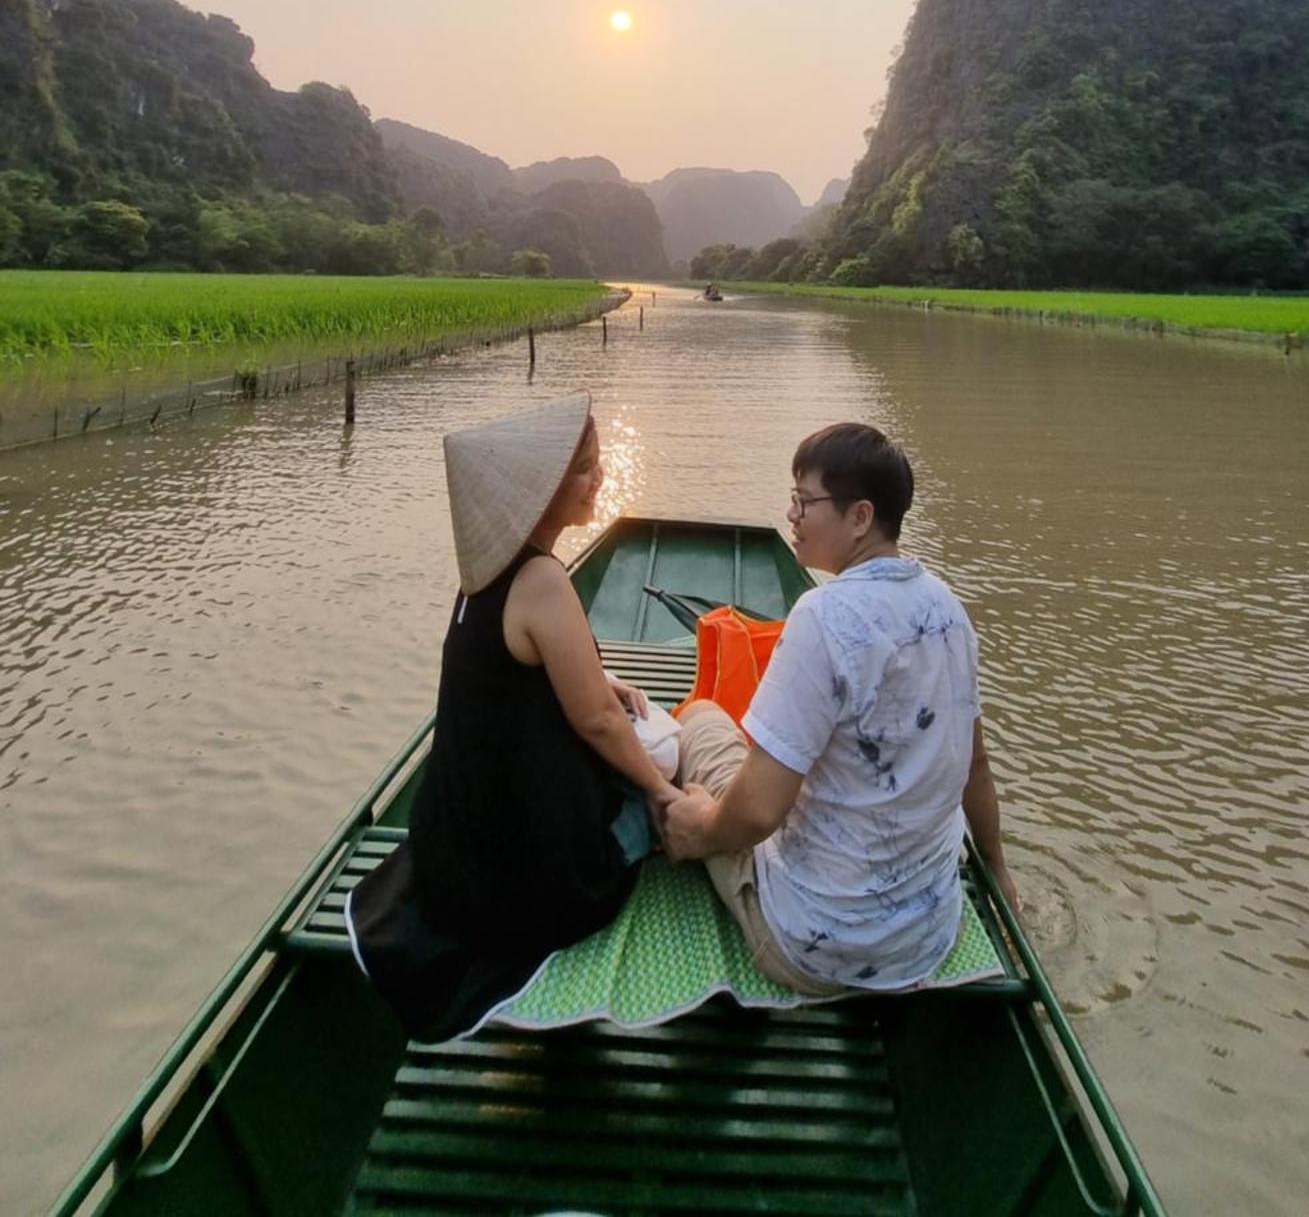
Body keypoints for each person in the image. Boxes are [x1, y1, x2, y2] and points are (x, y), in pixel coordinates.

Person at [349, 391, 676, 1041]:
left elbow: (516, 664)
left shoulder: (482, 579)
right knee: (666, 750)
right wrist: (663, 791)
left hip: (451, 864)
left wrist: (597, 675)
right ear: (543, 488)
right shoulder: (542, 582)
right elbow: (599, 724)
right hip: (531, 888)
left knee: (630, 735)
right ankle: (651, 829)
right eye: (586, 468)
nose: (600, 478)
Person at [661, 421, 1019, 994]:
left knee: (703, 720)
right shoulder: (949, 610)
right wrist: (998, 871)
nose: (792, 516)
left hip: (814, 948)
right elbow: (975, 766)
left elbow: (756, 814)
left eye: (805, 502)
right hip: (926, 940)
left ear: (860, 518)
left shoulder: (822, 617)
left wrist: (700, 828)